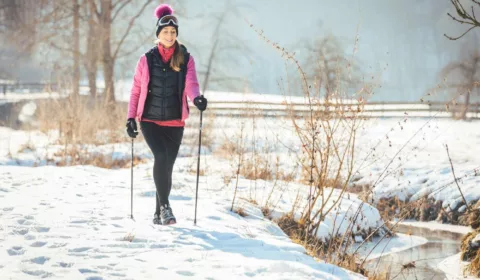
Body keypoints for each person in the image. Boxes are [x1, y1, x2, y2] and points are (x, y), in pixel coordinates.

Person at [125, 4, 207, 225]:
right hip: (149, 120)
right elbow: (136, 90)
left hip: (174, 121)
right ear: (158, 34)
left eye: (173, 32)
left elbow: (191, 83)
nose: (169, 36)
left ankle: (156, 214)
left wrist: (196, 97)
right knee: (160, 157)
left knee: (166, 166)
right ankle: (165, 207)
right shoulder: (146, 59)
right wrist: (130, 118)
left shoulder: (185, 58)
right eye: (165, 32)